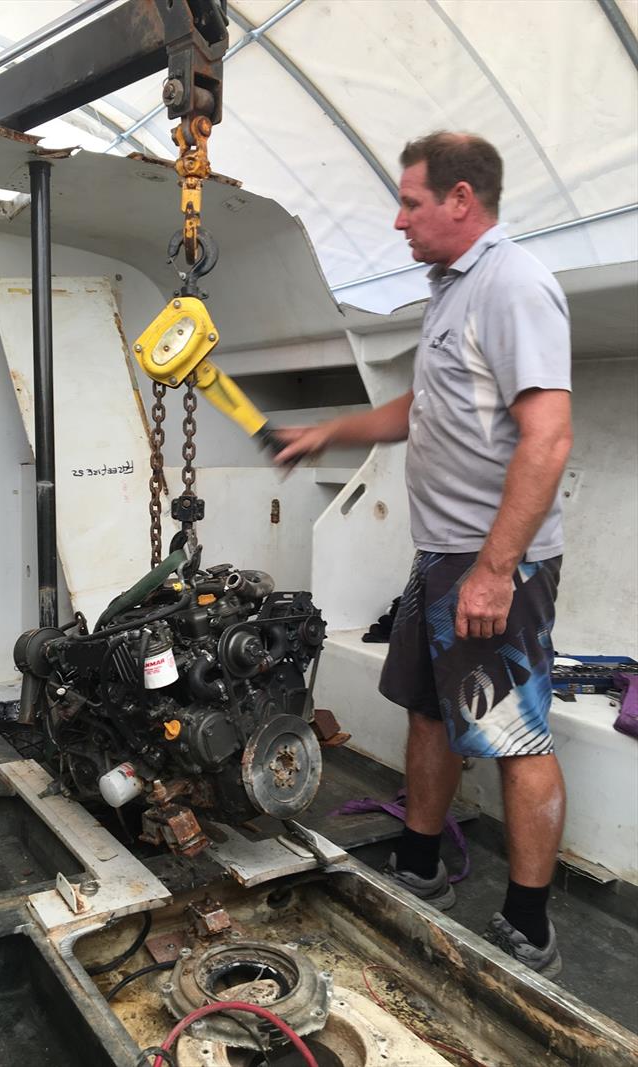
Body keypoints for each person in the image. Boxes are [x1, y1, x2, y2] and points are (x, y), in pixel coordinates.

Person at [275, 132, 573, 978]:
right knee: (428, 708)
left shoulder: (515, 286)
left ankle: (529, 923)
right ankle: (419, 861)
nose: (397, 218)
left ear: (462, 200)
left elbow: (547, 439)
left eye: (410, 202)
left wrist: (495, 568)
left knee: (515, 736)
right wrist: (331, 431)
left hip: (488, 561)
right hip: (439, 557)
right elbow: (425, 402)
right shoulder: (452, 290)